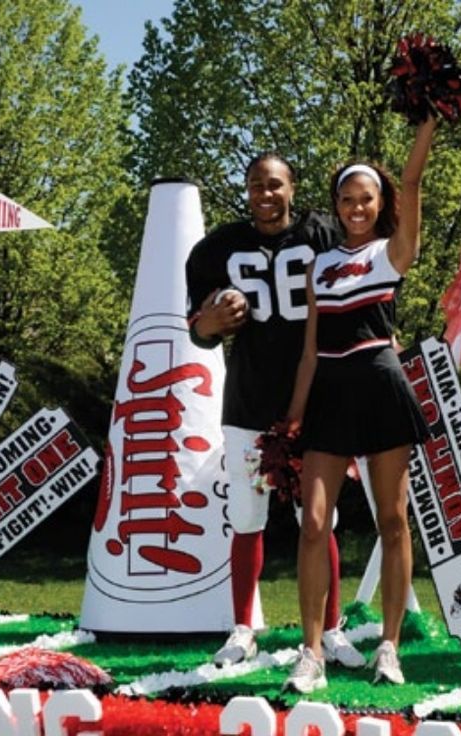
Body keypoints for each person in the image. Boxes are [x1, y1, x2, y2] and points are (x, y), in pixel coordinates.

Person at [186, 152, 364, 669]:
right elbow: (196, 330)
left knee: (318, 521)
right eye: (255, 186)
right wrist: (210, 323)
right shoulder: (218, 248)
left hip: (315, 404)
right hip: (249, 404)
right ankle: (244, 628)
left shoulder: (322, 233)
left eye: (274, 185)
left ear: (292, 188)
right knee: (246, 518)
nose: (264, 195)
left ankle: (330, 629)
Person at [284, 117, 436, 693]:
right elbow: (309, 352)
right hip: (329, 392)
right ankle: (311, 651)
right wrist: (293, 418)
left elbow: (415, 184)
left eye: (365, 199)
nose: (354, 207)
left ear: (380, 203)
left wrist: (425, 125)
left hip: (379, 381)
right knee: (312, 524)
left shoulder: (391, 252)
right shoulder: (318, 267)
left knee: (392, 520)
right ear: (336, 204)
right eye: (346, 199)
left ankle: (390, 647)